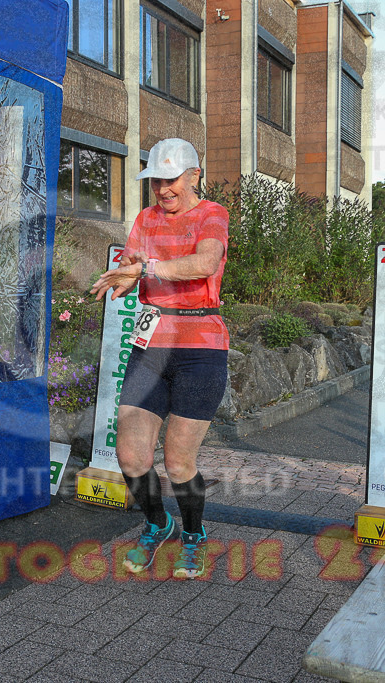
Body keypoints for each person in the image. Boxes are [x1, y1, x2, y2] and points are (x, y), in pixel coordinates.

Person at [89, 138, 230, 579]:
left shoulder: (212, 214)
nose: (163, 190)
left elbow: (205, 263)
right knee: (131, 457)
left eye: (170, 180)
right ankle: (157, 524)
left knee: (179, 463)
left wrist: (145, 268)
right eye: (155, 182)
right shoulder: (146, 218)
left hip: (200, 348)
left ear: (194, 176)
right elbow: (134, 264)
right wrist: (126, 275)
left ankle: (194, 534)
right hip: (150, 346)